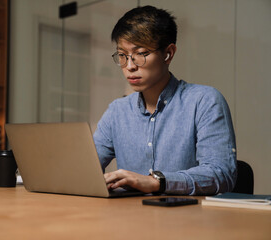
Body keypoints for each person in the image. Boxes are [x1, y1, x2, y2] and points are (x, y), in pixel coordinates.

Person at [93, 5, 237, 195]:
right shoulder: (117, 111)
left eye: (140, 54)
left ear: (168, 53)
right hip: (127, 218)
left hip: (186, 219)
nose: (129, 66)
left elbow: (221, 174)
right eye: (122, 55)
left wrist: (156, 182)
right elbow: (86, 169)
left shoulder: (204, 101)